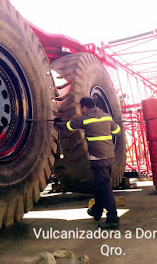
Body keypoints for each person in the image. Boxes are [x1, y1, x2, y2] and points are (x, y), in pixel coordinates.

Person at [54, 97, 121, 229]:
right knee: (99, 185)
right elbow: (116, 131)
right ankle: (97, 210)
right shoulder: (106, 116)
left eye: (81, 107)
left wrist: (57, 123)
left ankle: (112, 218)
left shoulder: (85, 118)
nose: (81, 109)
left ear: (84, 107)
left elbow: (68, 126)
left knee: (105, 188)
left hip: (97, 158)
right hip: (108, 157)